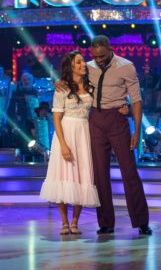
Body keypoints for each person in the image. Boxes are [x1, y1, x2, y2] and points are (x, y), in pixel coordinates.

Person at [55, 36, 152, 235]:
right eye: (95, 56)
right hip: (95, 120)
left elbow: (136, 100)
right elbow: (70, 78)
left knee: (129, 171)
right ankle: (106, 222)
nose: (98, 60)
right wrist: (59, 82)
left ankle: (141, 221)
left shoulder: (126, 66)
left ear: (110, 49)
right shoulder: (87, 67)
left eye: (102, 56)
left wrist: (137, 129)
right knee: (99, 173)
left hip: (117, 118)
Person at [39, 51, 100, 235]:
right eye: (79, 62)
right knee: (63, 177)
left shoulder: (91, 86)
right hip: (65, 133)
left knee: (81, 177)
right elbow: (56, 118)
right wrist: (63, 145)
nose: (83, 64)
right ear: (71, 66)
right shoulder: (62, 88)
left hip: (83, 134)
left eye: (83, 61)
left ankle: (75, 222)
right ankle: (64, 222)